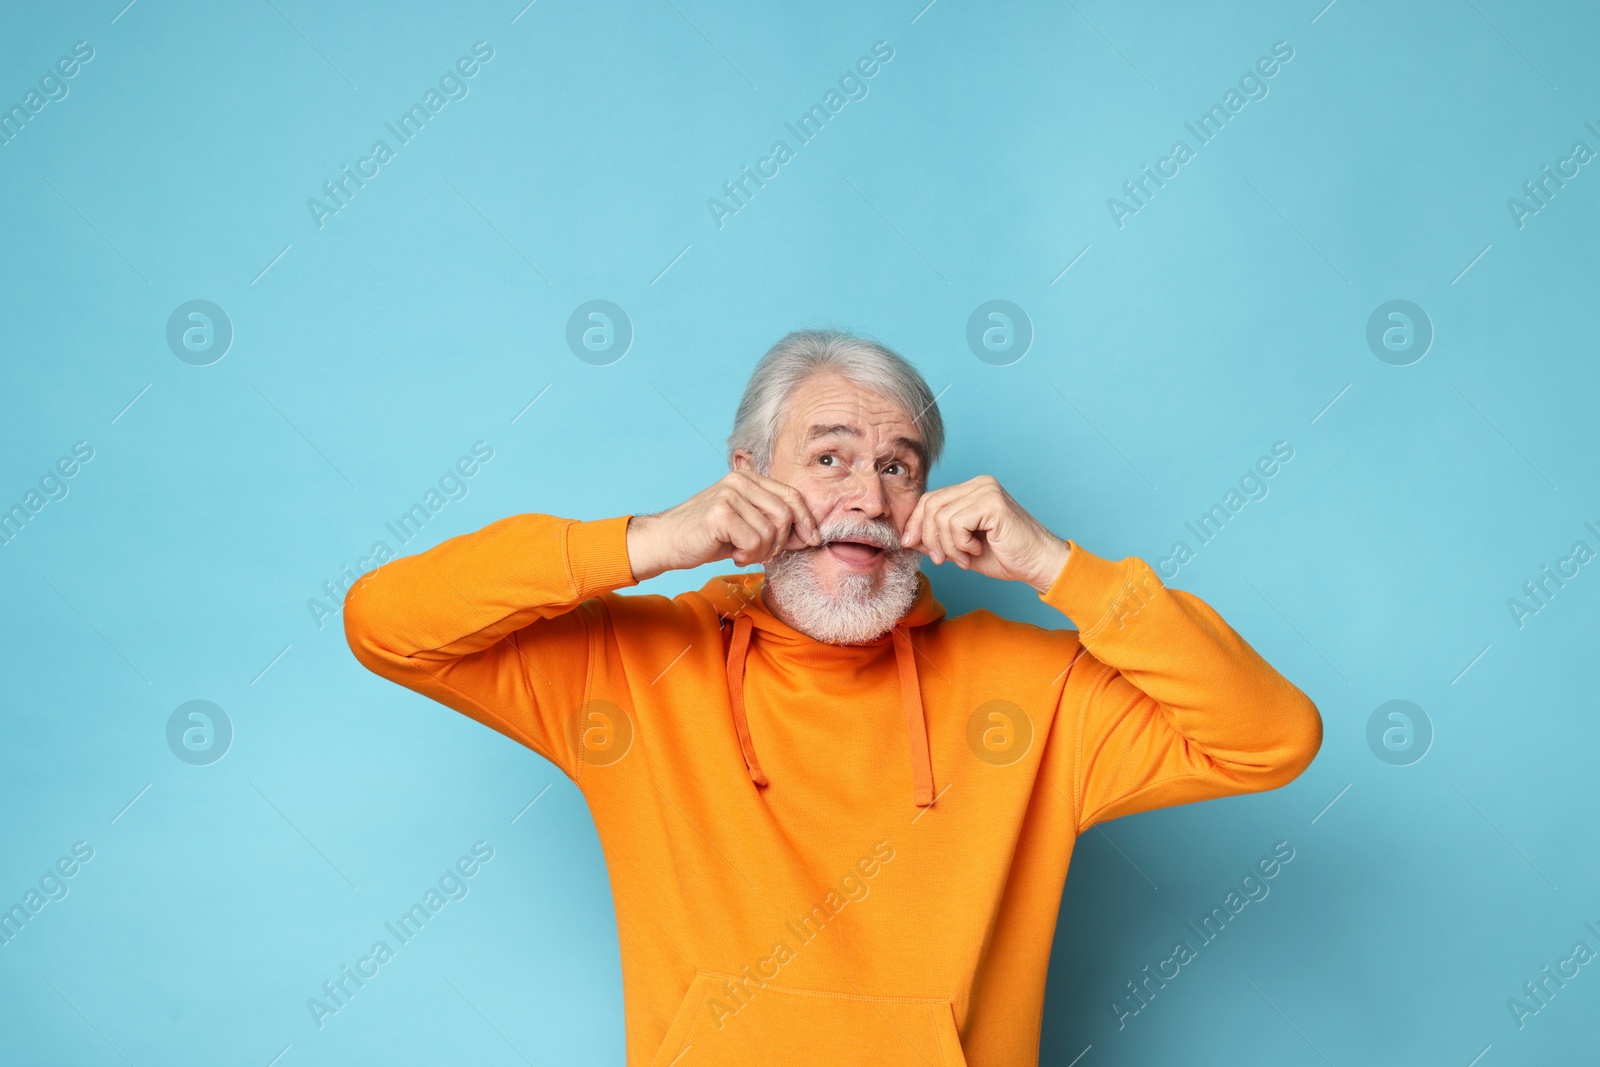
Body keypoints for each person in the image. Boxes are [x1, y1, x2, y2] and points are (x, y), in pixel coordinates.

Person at [343, 328, 1322, 1066]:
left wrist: (1061, 567)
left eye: (897, 464)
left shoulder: (1035, 689)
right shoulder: (636, 672)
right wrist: (650, 542)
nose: (867, 495)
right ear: (746, 477)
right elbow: (384, 621)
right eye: (829, 456)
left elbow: (1272, 738)